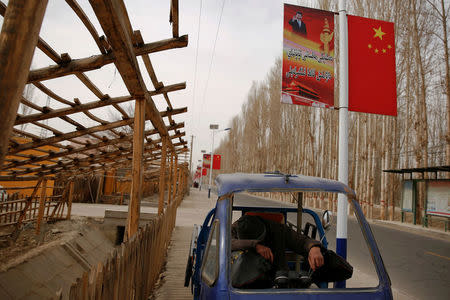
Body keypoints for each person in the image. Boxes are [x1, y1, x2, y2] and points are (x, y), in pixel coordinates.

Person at [231, 214, 324, 272]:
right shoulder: (234, 229)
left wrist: (314, 248)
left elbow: (301, 240)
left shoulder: (276, 229)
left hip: (276, 276)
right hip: (243, 277)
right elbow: (228, 244)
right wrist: (254, 245)